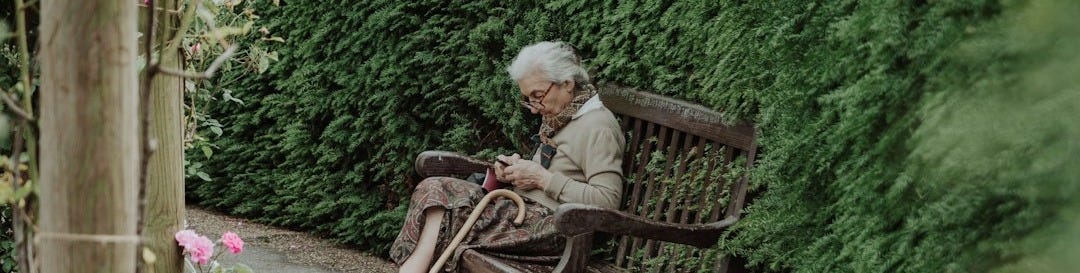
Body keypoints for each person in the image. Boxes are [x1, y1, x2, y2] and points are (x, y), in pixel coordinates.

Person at [390, 41, 626, 273]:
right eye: (528, 98)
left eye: (538, 95)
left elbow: (607, 201)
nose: (534, 108)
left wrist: (542, 178)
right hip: (522, 213)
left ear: (566, 83)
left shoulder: (598, 126)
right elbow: (556, 168)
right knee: (435, 190)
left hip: (556, 231)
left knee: (443, 203)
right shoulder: (562, 116)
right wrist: (514, 171)